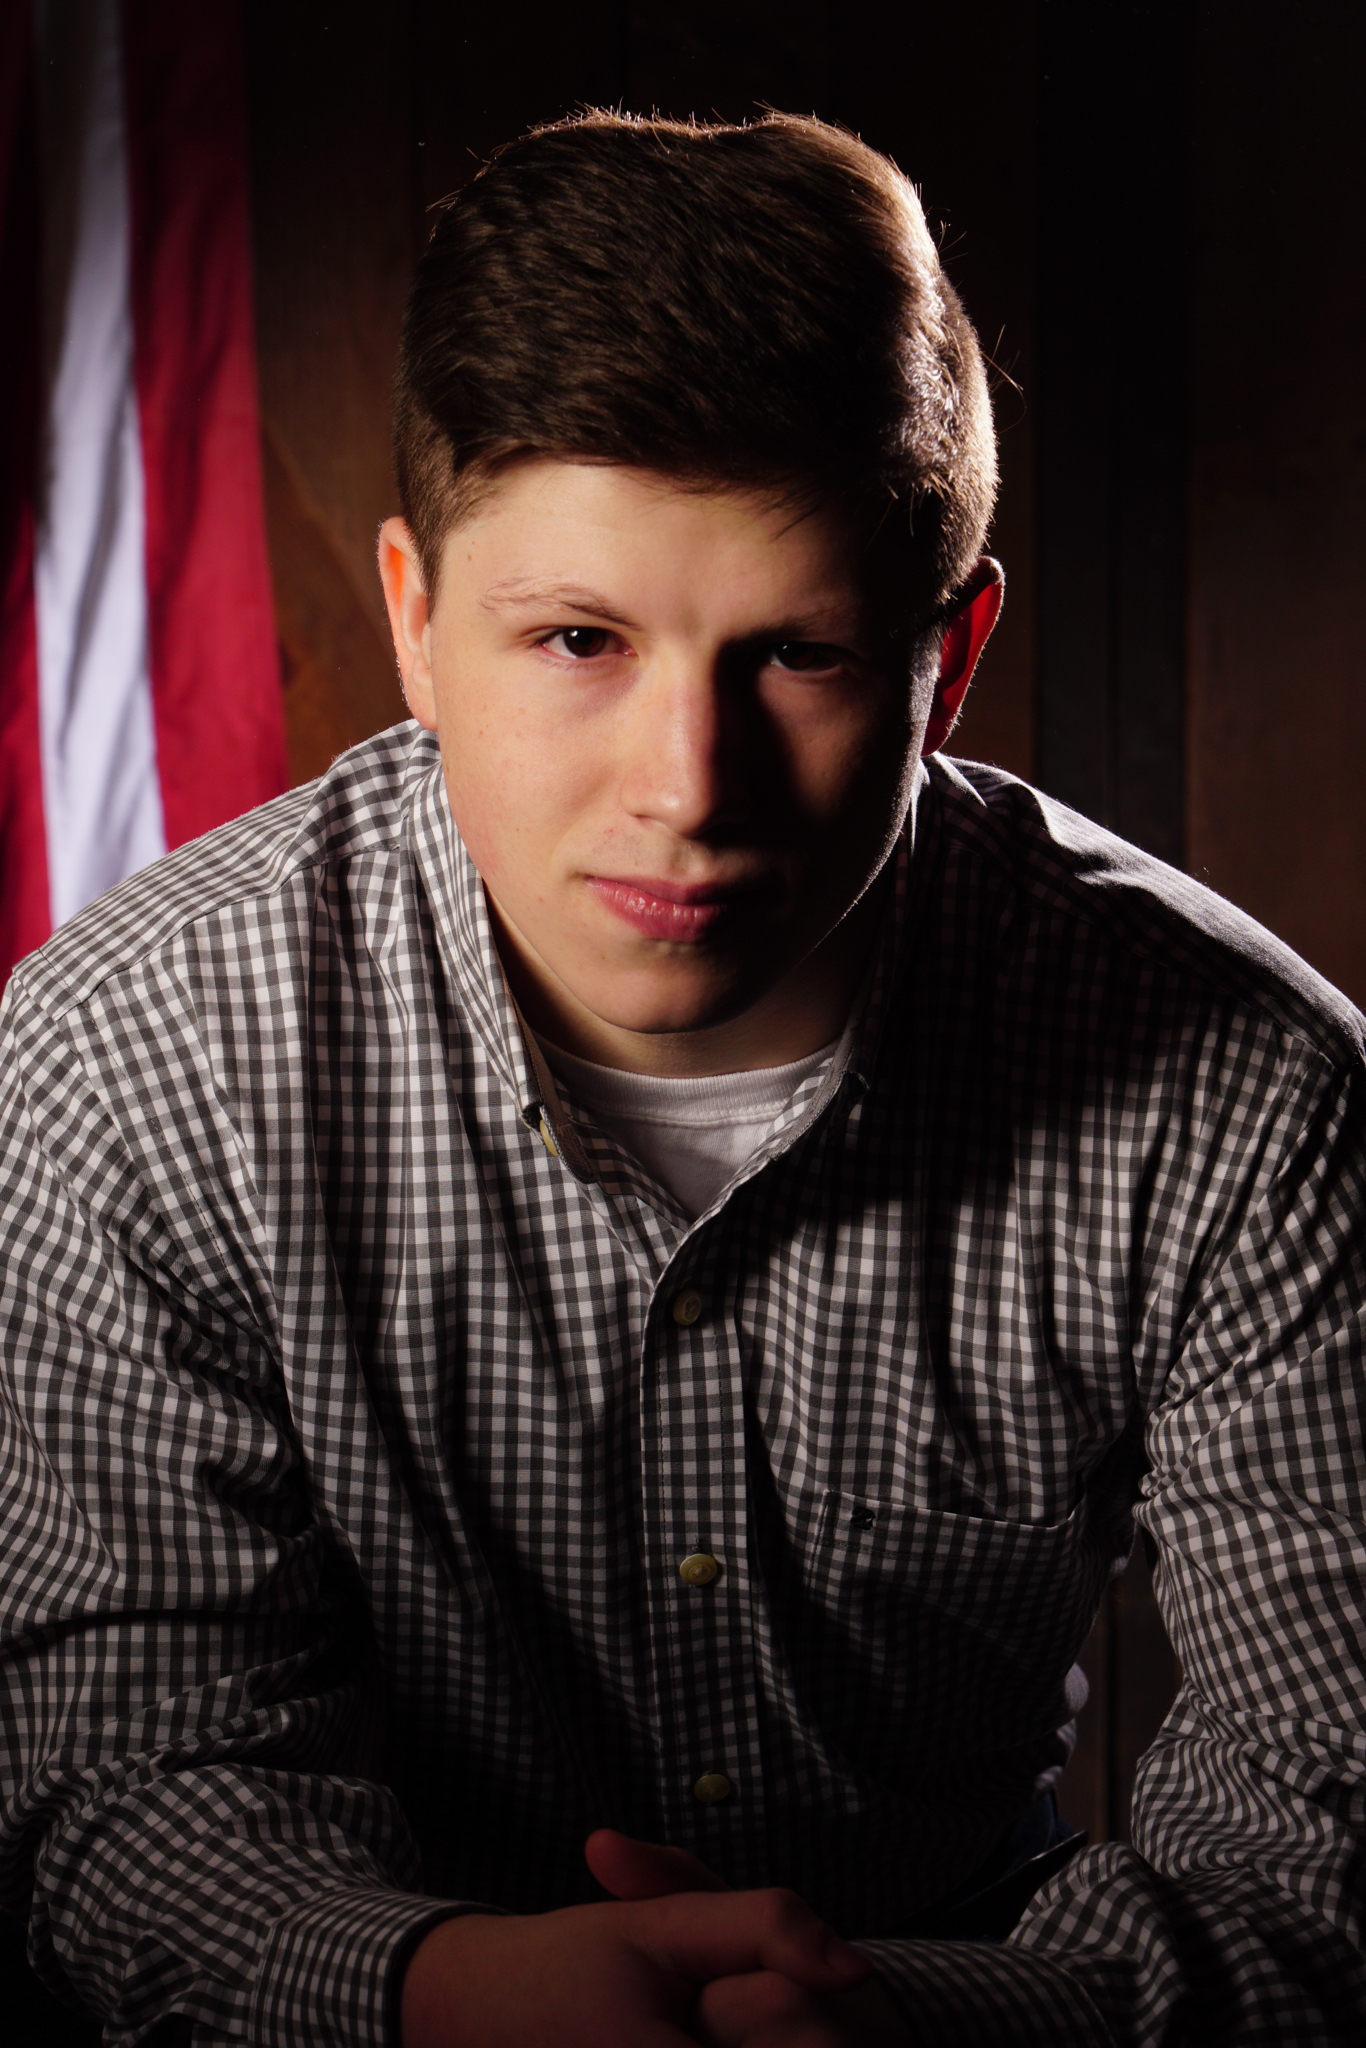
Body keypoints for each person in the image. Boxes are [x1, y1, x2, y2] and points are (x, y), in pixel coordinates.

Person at [1, 109, 1363, 2048]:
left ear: (950, 652)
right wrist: (445, 1990)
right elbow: (119, 1794)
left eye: (798, 654)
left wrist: (903, 2021)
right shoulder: (125, 1063)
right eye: (577, 639)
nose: (685, 788)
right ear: (414, 621)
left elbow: (1325, 1865)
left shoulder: (1246, 1096)